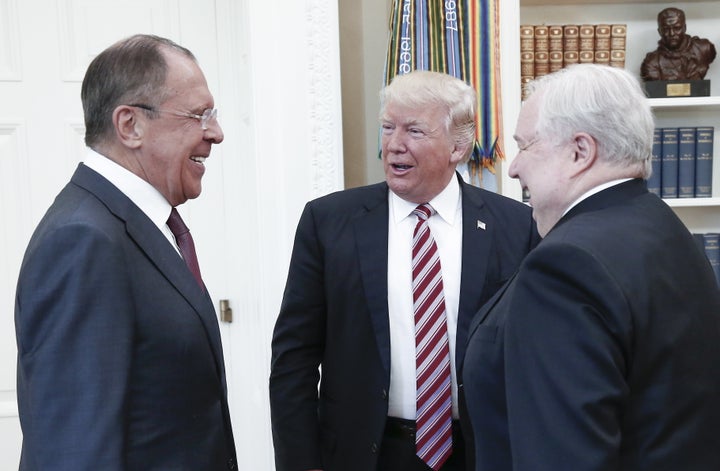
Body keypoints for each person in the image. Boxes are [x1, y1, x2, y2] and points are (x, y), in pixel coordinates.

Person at [269, 70, 540, 471]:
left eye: (414, 130)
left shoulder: (516, 226)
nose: (394, 145)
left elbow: (532, 356)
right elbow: (294, 358)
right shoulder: (327, 222)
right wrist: (300, 462)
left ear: (458, 147)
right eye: (387, 128)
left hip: (478, 453)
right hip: (365, 453)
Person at [462, 63, 720, 471]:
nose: (513, 168)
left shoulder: (567, 266)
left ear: (580, 152)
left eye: (524, 146)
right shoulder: (663, 226)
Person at [14, 34, 237, 470]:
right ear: (130, 125)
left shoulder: (132, 225)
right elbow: (74, 449)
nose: (216, 133)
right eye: (198, 115)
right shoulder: (83, 241)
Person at [640, 7, 716, 81]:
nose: (671, 33)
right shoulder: (652, 63)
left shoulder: (704, 49)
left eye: (676, 28)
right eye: (666, 29)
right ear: (659, 31)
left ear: (684, 28)